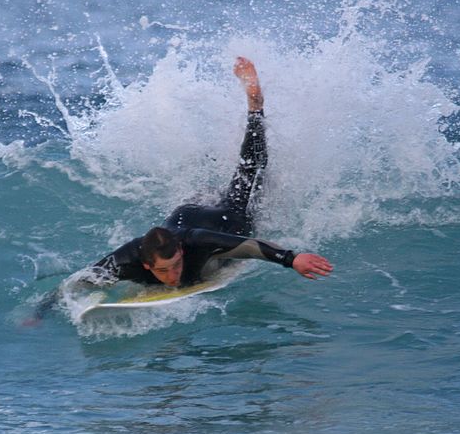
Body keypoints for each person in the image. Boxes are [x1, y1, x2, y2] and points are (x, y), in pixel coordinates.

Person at [83, 57, 333, 289]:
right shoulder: (127, 258)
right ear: (146, 264)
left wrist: (292, 259)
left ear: (181, 251)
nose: (173, 276)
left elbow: (251, 247)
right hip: (188, 212)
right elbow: (81, 281)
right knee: (228, 184)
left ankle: (255, 106)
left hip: (227, 219)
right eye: (164, 271)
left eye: (177, 265)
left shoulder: (198, 241)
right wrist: (44, 311)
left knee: (250, 173)